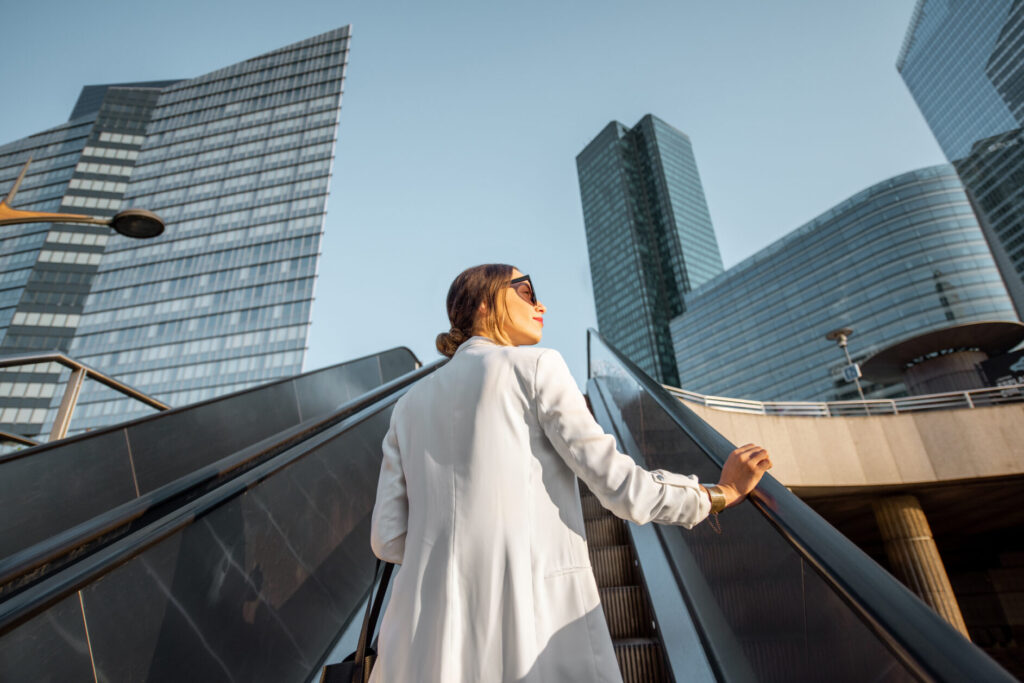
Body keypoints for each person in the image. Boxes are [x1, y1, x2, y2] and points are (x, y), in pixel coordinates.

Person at [369, 264, 771, 683]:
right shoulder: (536, 366)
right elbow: (621, 487)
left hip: (415, 646)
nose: (539, 303)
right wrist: (717, 494)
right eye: (524, 290)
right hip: (524, 631)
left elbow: (388, 537)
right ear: (484, 304)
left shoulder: (407, 407)